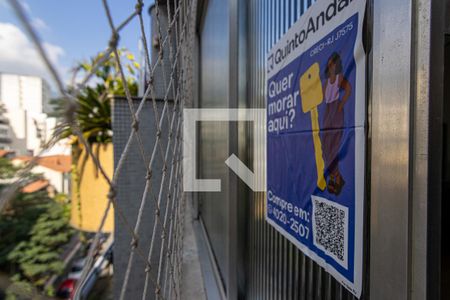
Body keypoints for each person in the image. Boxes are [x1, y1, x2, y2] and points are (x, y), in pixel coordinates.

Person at [322, 52, 351, 195]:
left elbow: (349, 89)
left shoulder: (339, 78)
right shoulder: (326, 82)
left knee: (334, 147)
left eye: (332, 63)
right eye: (329, 63)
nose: (330, 65)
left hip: (336, 111)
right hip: (328, 112)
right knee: (325, 147)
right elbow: (321, 96)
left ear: (336, 64)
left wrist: (341, 105)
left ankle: (336, 179)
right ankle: (336, 177)